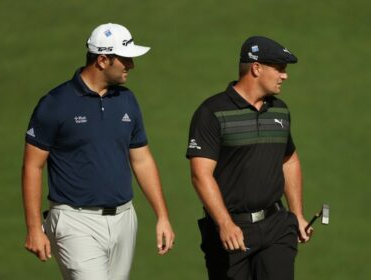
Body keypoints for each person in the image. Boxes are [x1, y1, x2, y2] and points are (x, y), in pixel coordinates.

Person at [22, 23, 175, 280]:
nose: (131, 66)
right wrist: (34, 228)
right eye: (125, 59)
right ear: (103, 60)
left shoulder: (127, 100)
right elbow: (32, 166)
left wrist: (162, 216)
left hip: (124, 220)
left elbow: (142, 160)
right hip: (75, 222)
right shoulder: (55, 104)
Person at [186, 36, 312, 280]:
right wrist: (224, 223)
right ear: (256, 68)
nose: (284, 76)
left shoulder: (280, 110)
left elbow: (290, 160)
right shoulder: (211, 112)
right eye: (279, 69)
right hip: (232, 232)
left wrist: (296, 214)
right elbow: (200, 174)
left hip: (277, 227)